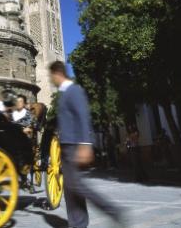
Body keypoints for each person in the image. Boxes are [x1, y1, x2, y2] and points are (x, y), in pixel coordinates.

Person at [49, 61, 126, 228]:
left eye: (52, 76)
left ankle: (111, 209)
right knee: (70, 189)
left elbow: (83, 116)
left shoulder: (74, 90)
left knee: (77, 185)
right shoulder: (64, 94)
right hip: (66, 145)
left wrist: (85, 143)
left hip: (74, 146)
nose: (51, 80)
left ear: (57, 73)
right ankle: (78, 223)